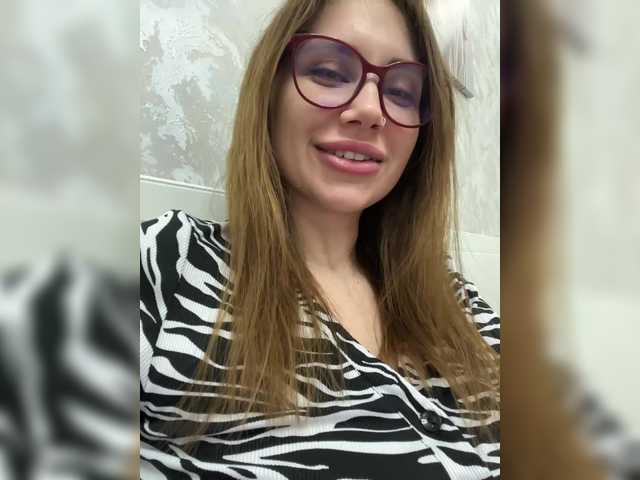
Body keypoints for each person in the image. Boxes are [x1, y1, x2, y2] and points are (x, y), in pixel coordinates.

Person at [140, 0, 500, 478]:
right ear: (270, 90)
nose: (370, 110)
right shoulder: (170, 264)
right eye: (329, 73)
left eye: (401, 91)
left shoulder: (459, 306)